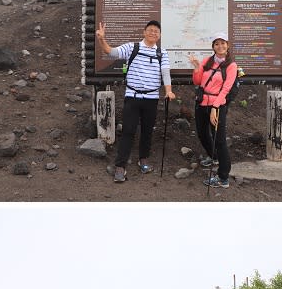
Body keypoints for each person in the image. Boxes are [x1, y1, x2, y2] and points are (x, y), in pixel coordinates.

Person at [95, 20, 175, 183]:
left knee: (147, 131)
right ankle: (120, 166)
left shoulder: (162, 52)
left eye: (156, 31)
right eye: (150, 30)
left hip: (151, 98)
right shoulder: (132, 47)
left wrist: (168, 91)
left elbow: (165, 73)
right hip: (132, 96)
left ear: (159, 36)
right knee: (128, 131)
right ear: (144, 32)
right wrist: (102, 39)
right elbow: (111, 52)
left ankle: (143, 160)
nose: (153, 33)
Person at [189, 32, 238, 189]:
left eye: (223, 43)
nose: (220, 46)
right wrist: (197, 68)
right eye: (217, 43)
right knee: (202, 134)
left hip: (218, 105)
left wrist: (215, 108)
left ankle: (223, 178)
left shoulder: (231, 66)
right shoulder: (207, 61)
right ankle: (213, 157)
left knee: (220, 140)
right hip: (202, 103)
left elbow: (226, 89)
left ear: (228, 45)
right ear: (213, 47)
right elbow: (198, 82)